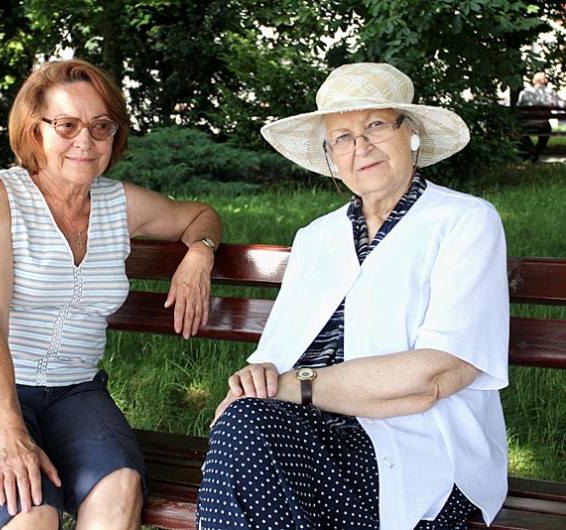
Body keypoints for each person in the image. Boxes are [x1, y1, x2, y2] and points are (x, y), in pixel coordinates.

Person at [196, 62, 509, 530]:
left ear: (412, 133)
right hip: (307, 434)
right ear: (331, 158)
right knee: (243, 430)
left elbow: (438, 374)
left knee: (245, 437)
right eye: (342, 137)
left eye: (376, 125)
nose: (360, 147)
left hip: (414, 448)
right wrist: (255, 380)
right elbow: (272, 358)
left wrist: (291, 387)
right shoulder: (316, 238)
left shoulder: (464, 221)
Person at [0, 58, 222, 530]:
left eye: (101, 126)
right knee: (33, 511)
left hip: (74, 393)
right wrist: (10, 437)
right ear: (33, 129)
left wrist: (200, 255)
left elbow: (199, 215)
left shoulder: (118, 203)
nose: (85, 140)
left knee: (120, 488)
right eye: (67, 125)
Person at [517, 72, 566, 161]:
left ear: (533, 81)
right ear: (545, 81)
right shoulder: (550, 93)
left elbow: (519, 107)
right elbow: (562, 104)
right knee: (547, 129)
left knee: (518, 131)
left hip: (527, 126)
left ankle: (529, 152)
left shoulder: (524, 93)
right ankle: (536, 152)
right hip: (543, 126)